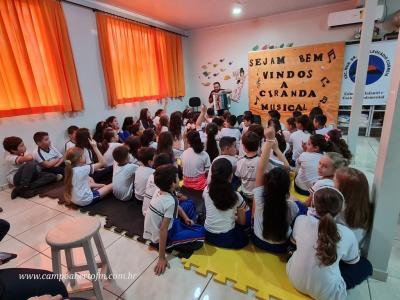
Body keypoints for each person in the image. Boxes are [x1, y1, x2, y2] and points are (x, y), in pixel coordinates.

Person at [287, 187, 372, 300]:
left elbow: (294, 243)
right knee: (365, 265)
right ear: (341, 209)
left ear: (314, 205)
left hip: (294, 279)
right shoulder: (347, 234)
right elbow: (352, 262)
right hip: (327, 294)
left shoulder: (301, 219)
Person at [143, 165, 205, 275]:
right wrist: (162, 257)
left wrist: (185, 218)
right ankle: (175, 241)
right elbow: (163, 230)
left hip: (169, 223)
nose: (179, 179)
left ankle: (186, 225)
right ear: (172, 183)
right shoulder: (169, 201)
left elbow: (178, 206)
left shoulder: (161, 190)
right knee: (201, 234)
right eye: (177, 178)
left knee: (189, 203)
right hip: (163, 237)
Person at [252, 130, 299, 252]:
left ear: (267, 184)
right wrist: (276, 149)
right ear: (287, 187)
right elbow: (287, 168)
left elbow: (260, 170)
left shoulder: (260, 198)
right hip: (281, 246)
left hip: (258, 241)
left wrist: (269, 141)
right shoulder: (292, 206)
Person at [204, 158, 249, 249]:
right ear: (231, 176)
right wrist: (234, 217)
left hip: (207, 234)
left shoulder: (206, 190)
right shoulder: (235, 196)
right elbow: (242, 222)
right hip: (227, 238)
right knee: (247, 217)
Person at [335, 167, 372, 252]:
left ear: (343, 189)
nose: (332, 185)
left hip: (338, 253)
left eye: (334, 182)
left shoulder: (339, 210)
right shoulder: (364, 207)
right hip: (353, 251)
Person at [64, 142, 113, 206]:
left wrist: (100, 185)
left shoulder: (70, 169)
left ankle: (97, 188)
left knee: (90, 178)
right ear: (80, 159)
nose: (85, 156)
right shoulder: (83, 169)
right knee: (112, 185)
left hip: (74, 199)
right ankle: (97, 189)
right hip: (86, 200)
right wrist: (94, 147)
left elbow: (86, 183)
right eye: (83, 155)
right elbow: (103, 163)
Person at [235, 131, 260, 204]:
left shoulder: (240, 161)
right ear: (258, 146)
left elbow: (238, 176)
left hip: (244, 193)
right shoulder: (261, 162)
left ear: (244, 147)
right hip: (257, 196)